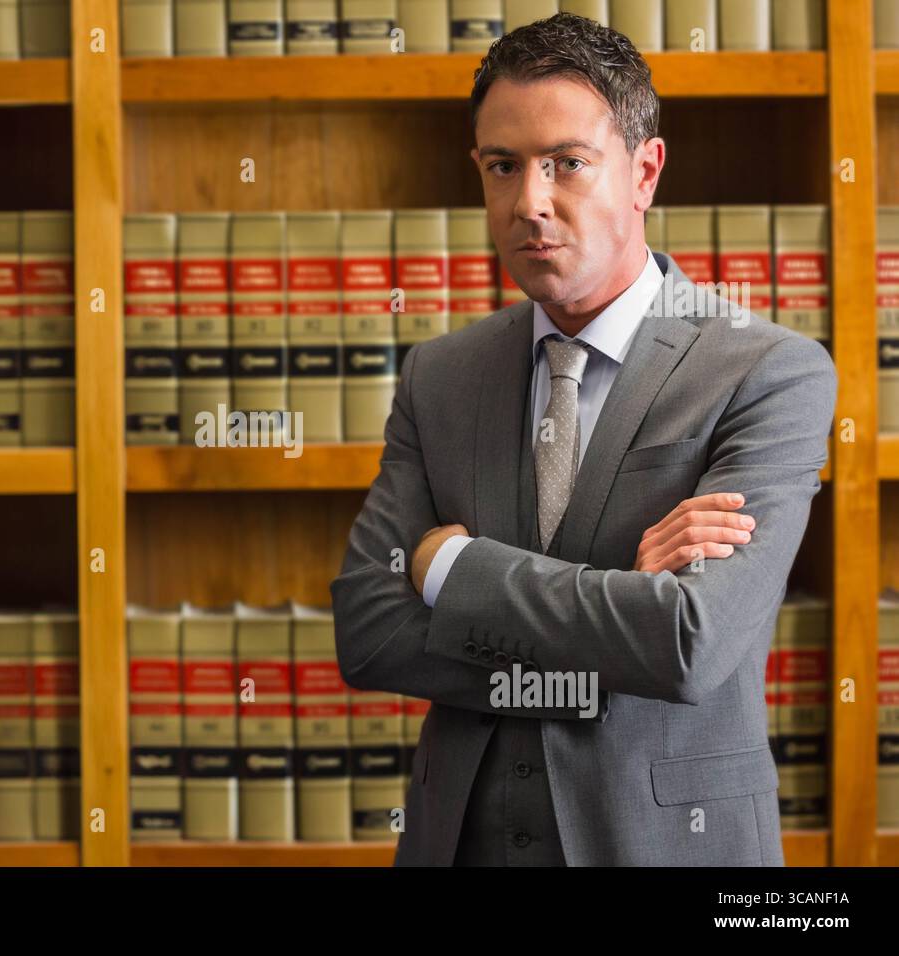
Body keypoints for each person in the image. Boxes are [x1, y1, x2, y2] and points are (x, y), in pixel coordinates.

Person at [329, 12, 837, 866]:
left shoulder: (771, 373)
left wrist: (451, 571)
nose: (530, 201)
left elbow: (688, 643)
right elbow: (370, 628)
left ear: (644, 171)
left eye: (567, 163)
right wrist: (617, 611)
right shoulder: (441, 376)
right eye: (503, 167)